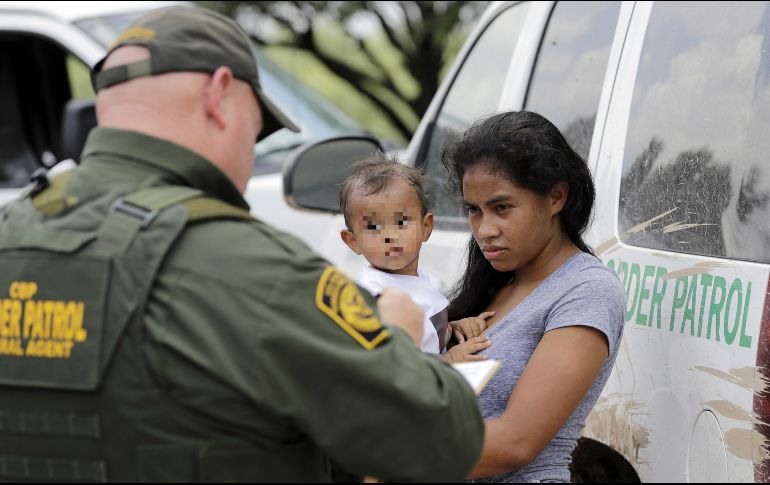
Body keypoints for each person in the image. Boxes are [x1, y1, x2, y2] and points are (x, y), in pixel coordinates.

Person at [0, 7, 484, 482]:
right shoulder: (251, 267)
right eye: (255, 133)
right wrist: (397, 340)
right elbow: (442, 439)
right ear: (219, 94)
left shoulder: (10, 234)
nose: (250, 161)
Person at [440, 111, 625, 482]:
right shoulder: (492, 286)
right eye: (474, 211)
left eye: (502, 207)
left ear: (556, 196)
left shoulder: (586, 290)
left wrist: (379, 452)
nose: (485, 229)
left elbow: (516, 443)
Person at [339, 155, 493, 362]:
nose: (390, 235)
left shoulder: (422, 280)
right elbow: (394, 364)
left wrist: (454, 327)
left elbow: (426, 335)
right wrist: (449, 360)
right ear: (353, 241)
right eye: (373, 227)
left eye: (401, 222)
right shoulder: (374, 295)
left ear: (425, 227)